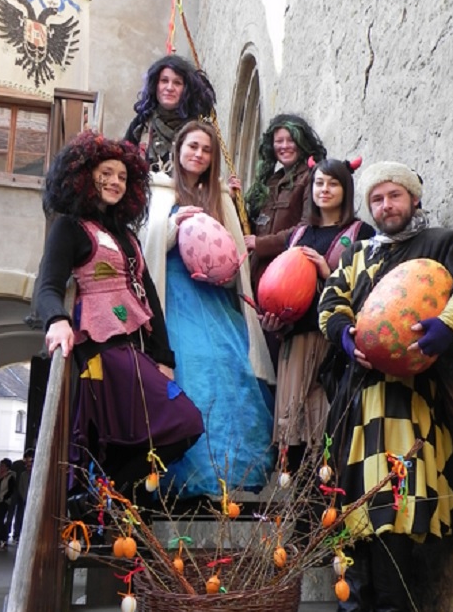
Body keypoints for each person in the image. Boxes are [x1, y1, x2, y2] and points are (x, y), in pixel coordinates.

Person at [292, 161, 453, 612]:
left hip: (405, 403)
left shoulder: (440, 244)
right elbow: (330, 302)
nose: (386, 205)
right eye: (377, 198)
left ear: (413, 199)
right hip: (354, 402)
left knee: (392, 514)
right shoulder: (357, 254)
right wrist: (344, 336)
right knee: (349, 514)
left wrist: (446, 327)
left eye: (394, 196)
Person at [36, 131, 204, 498]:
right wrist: (56, 320)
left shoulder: (127, 236)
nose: (116, 182)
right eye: (106, 174)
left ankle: (102, 495)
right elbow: (47, 285)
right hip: (103, 351)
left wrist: (164, 357)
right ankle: (102, 494)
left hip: (137, 349)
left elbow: (150, 298)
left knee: (166, 430)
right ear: (84, 176)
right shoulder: (69, 227)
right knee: (185, 421)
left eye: (123, 177)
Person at [143, 120, 276, 499]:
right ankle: (187, 472)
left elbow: (235, 253)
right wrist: (174, 226)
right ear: (178, 149)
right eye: (193, 147)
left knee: (229, 366)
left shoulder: (222, 197)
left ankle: (233, 469)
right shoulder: (159, 191)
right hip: (175, 294)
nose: (198, 155)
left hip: (215, 297)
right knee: (189, 370)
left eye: (206, 150)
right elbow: (148, 243)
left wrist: (225, 269)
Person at [261, 158, 374, 469]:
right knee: (294, 430)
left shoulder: (362, 232)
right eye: (319, 183)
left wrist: (328, 272)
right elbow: (282, 283)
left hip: (333, 345)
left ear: (346, 189)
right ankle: (297, 494)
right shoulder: (297, 235)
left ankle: (324, 496)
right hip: (296, 342)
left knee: (325, 428)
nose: (324, 189)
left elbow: (367, 288)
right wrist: (273, 321)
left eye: (333, 183)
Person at [243, 113, 327, 298]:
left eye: (291, 140)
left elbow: (306, 229)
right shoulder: (270, 182)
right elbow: (252, 229)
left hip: (289, 281)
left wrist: (260, 244)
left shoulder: (312, 178)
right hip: (259, 280)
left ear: (302, 142)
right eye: (279, 141)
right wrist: (234, 201)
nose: (284, 146)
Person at [124, 54, 216, 175]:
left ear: (186, 89)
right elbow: (123, 165)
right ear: (155, 85)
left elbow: (210, 175)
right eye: (164, 81)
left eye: (177, 83)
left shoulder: (200, 129)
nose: (169, 88)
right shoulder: (141, 124)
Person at [11, 450, 34, 543]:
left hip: (31, 500)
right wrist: (24, 497)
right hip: (22, 499)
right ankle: (16, 534)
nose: (28, 465)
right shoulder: (23, 473)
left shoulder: (35, 474)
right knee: (20, 516)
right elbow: (21, 487)